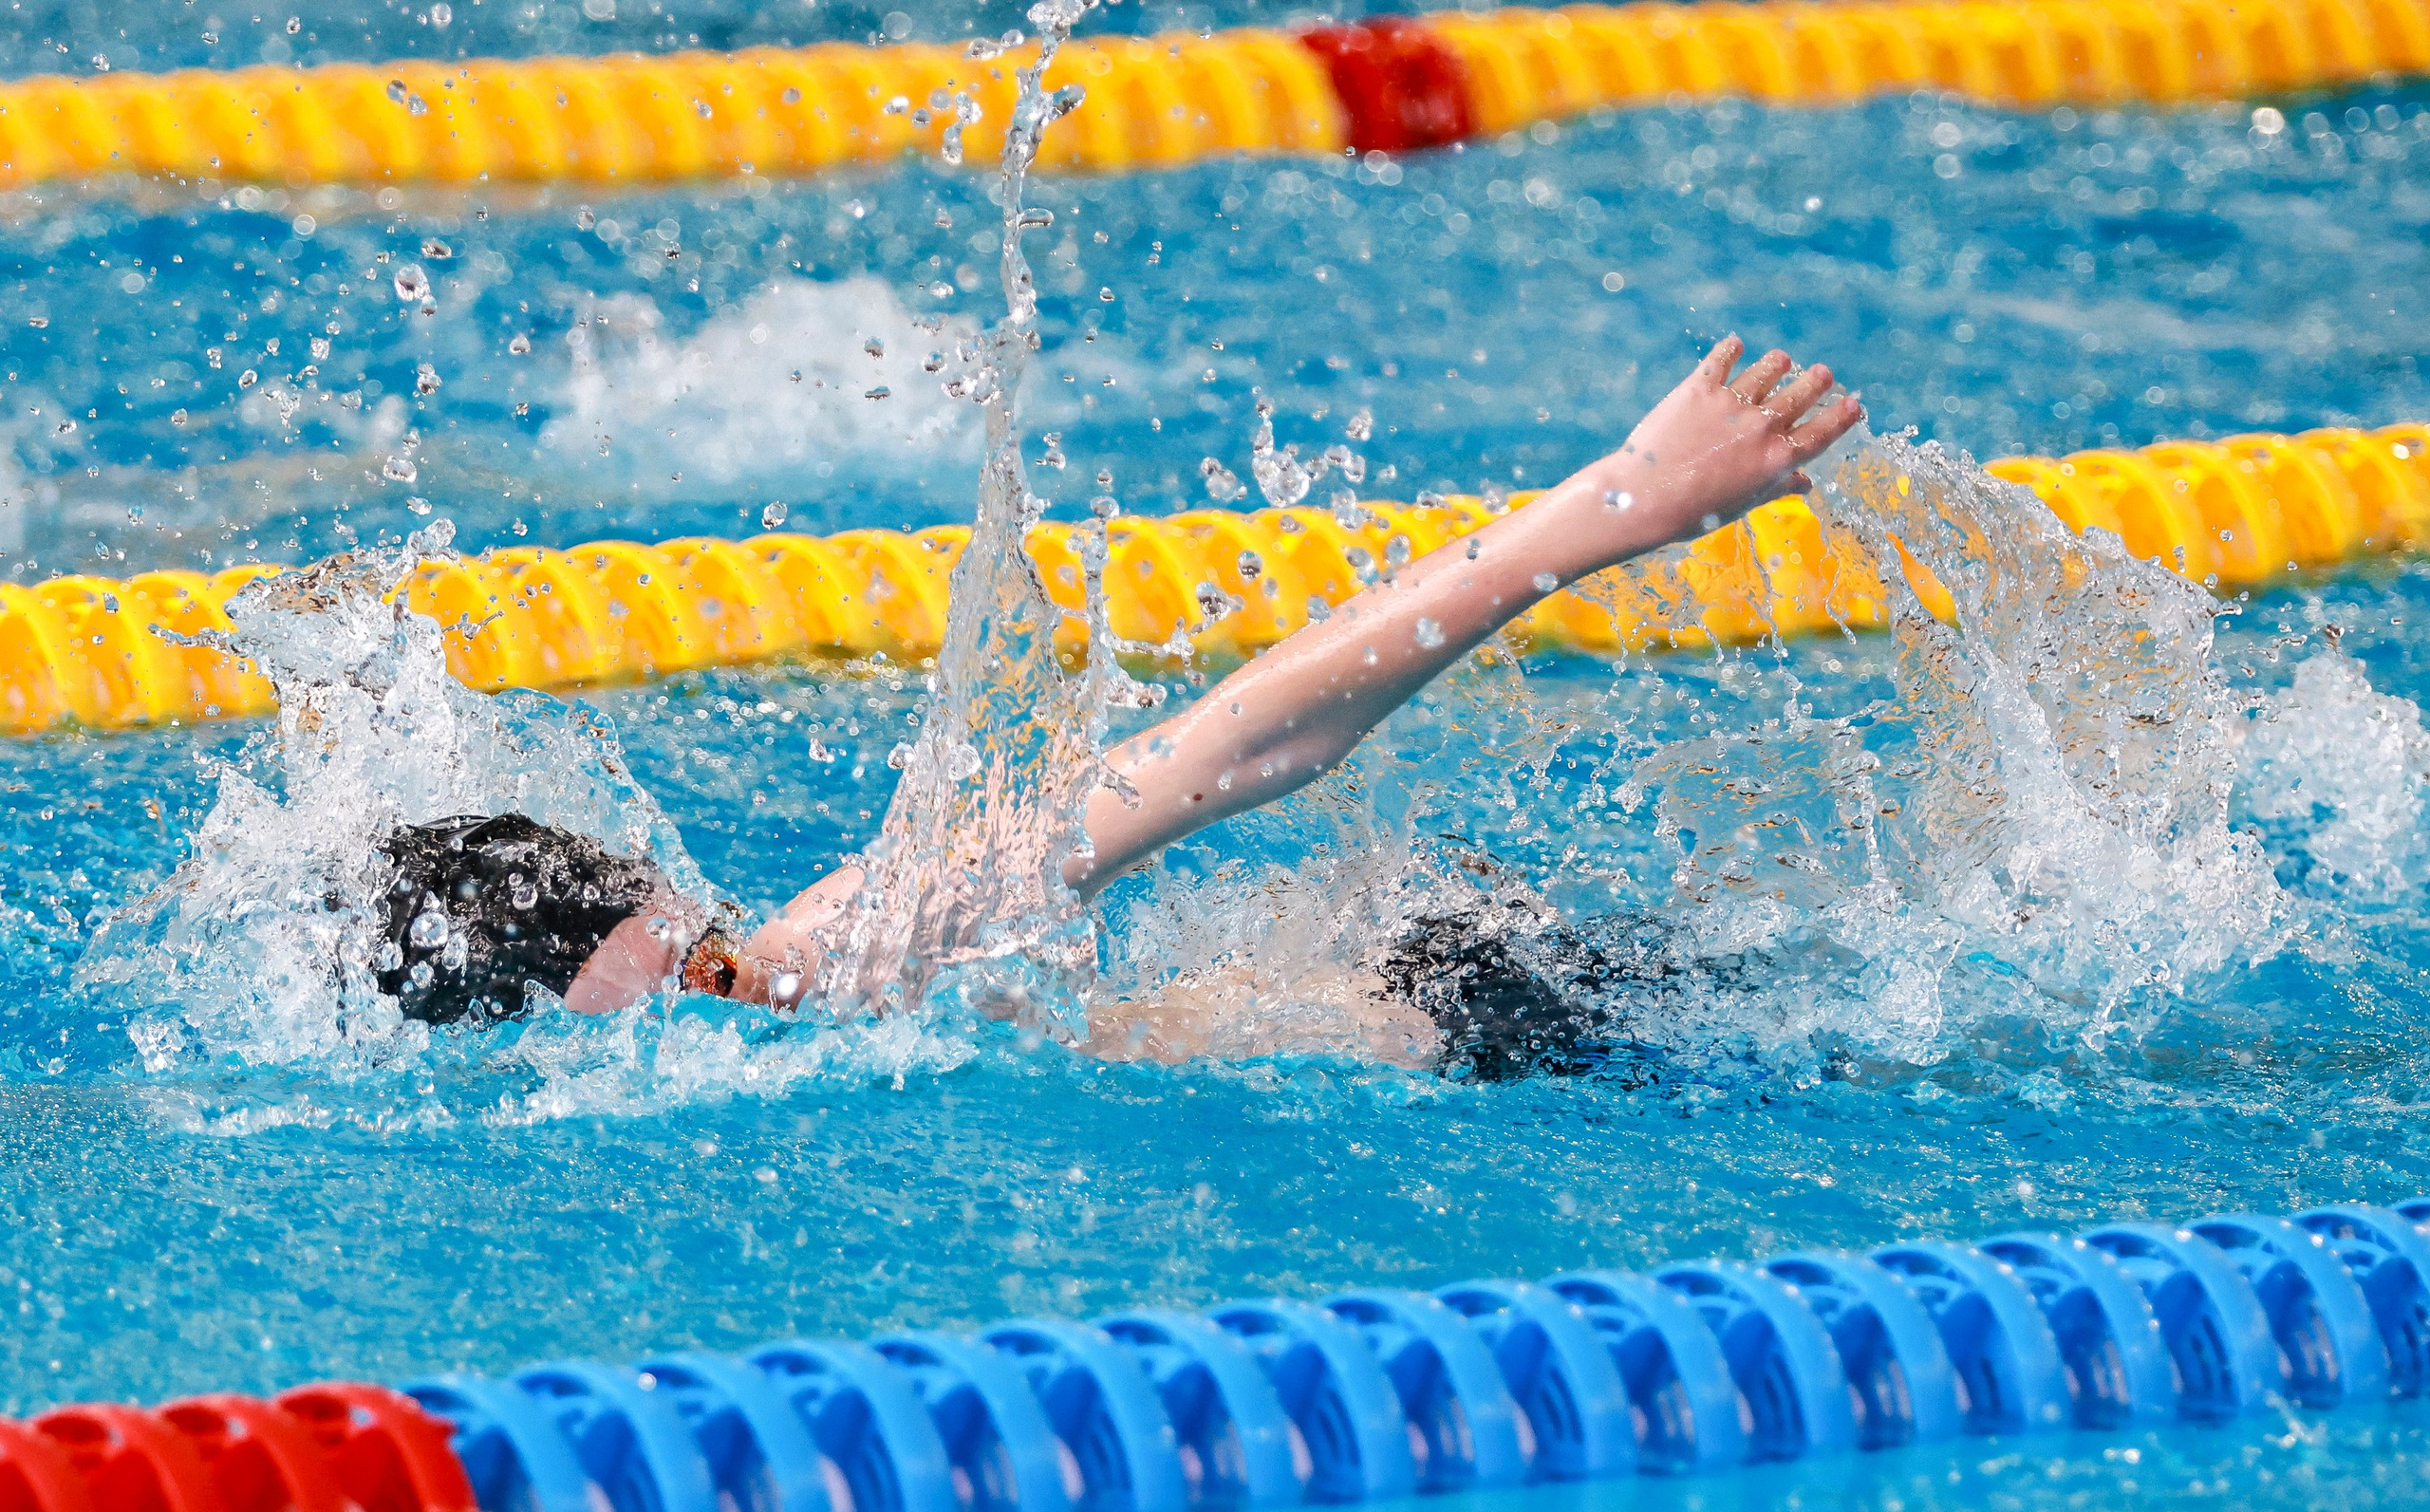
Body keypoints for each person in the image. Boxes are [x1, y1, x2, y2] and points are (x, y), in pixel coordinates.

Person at [374, 338, 1861, 1065]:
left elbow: (1247, 736)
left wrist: (1614, 507)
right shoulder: (776, 999)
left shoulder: (826, 964)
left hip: (1485, 1016)